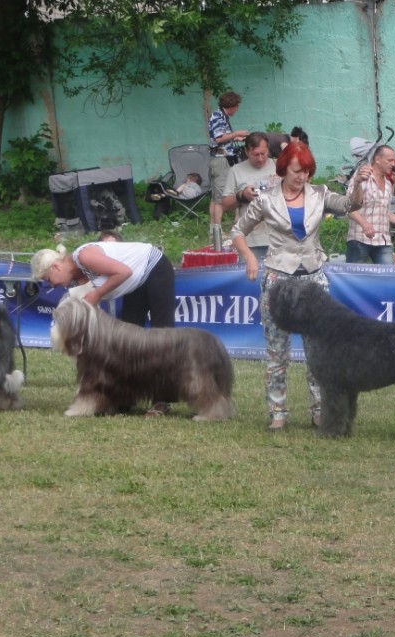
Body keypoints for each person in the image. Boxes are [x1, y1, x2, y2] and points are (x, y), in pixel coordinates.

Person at [229, 142, 372, 432]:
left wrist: (358, 183)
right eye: (297, 171)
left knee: (318, 350)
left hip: (313, 280)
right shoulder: (265, 200)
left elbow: (350, 206)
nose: (302, 177)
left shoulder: (319, 194)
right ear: (283, 168)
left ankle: (320, 410)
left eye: (307, 171)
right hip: (278, 281)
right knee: (276, 350)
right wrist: (249, 259)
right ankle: (277, 411)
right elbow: (237, 231)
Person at [30, 240, 178, 416]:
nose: (53, 285)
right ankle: (125, 396)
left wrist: (97, 294)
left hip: (156, 270)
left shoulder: (85, 256)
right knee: (126, 342)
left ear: (55, 267)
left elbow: (124, 271)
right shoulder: (78, 276)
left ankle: (161, 401)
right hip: (136, 282)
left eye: (48, 279)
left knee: (162, 336)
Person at [345, 144, 395, 265]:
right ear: (377, 159)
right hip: (359, 239)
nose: (393, 164)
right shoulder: (362, 177)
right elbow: (348, 206)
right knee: (353, 278)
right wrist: (364, 223)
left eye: (394, 160)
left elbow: (386, 213)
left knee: (388, 277)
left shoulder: (388, 184)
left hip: (383, 241)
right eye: (390, 160)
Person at [222, 132, 278, 261]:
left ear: (268, 149)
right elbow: (225, 205)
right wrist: (242, 196)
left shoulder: (279, 167)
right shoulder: (236, 171)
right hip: (250, 241)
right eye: (255, 154)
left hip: (279, 239)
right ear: (246, 152)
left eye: (263, 153)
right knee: (252, 279)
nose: (260, 158)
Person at [207, 91, 249, 248]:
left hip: (220, 158)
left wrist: (235, 138)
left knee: (215, 197)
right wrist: (236, 133)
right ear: (230, 106)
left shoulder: (222, 117)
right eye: (236, 106)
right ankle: (217, 232)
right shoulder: (218, 116)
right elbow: (218, 138)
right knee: (220, 197)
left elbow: (223, 137)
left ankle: (213, 230)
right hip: (220, 160)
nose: (237, 109)